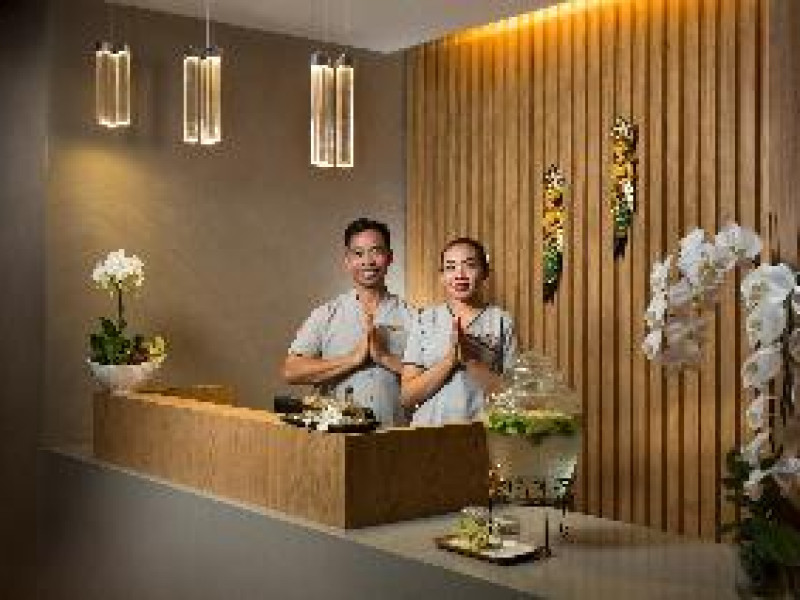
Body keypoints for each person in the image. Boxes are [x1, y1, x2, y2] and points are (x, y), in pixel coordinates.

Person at [282, 218, 416, 427]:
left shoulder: (414, 318)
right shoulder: (325, 315)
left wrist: (384, 358)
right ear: (347, 261)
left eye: (376, 251)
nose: (367, 261)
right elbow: (292, 371)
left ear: (390, 257)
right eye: (358, 253)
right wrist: (352, 359)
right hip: (337, 436)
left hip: (394, 435)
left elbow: (429, 378)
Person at [400, 237, 516, 426]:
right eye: (450, 267)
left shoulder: (501, 320)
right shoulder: (424, 320)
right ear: (442, 276)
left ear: (485, 272)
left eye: (470, 265)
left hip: (481, 432)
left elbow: (512, 397)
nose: (459, 274)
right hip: (429, 432)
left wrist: (472, 361)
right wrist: (449, 361)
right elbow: (407, 397)